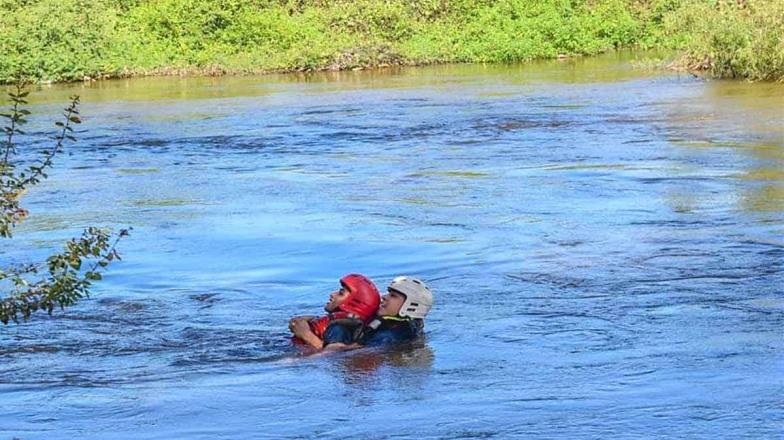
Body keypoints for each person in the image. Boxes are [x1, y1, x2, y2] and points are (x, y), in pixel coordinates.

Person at [323, 276, 433, 349]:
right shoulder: (387, 322)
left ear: (410, 306)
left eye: (393, 296)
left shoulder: (396, 332)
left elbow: (355, 351)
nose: (384, 297)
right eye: (388, 293)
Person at [289, 273, 380, 350]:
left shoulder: (340, 328)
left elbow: (332, 355)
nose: (332, 294)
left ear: (354, 303)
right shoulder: (344, 322)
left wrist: (306, 334)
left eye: (341, 293)